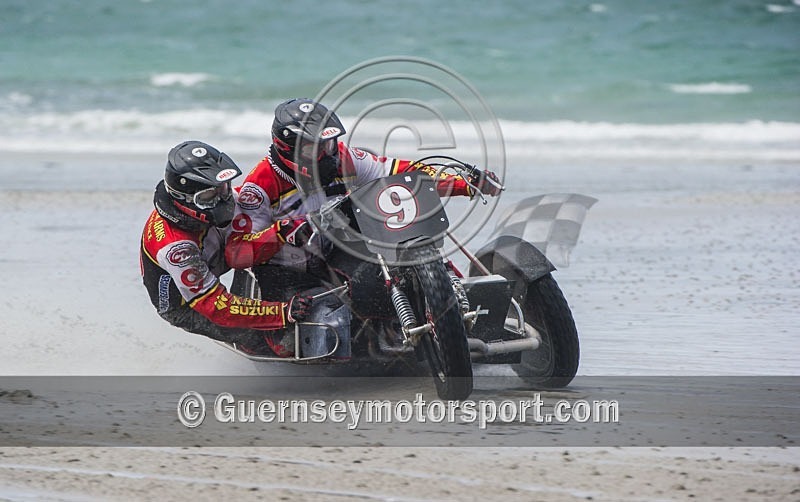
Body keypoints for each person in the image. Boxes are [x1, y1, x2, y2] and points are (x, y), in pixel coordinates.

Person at [225, 98, 503, 276]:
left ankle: (450, 287)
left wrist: (462, 184)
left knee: (396, 250)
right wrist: (284, 231)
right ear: (290, 148)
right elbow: (237, 251)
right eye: (315, 146)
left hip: (343, 247)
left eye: (329, 143)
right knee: (322, 325)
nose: (327, 152)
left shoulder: (344, 157)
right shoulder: (259, 187)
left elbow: (400, 172)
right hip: (294, 270)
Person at [139, 140, 312, 357]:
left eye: (222, 188)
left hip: (216, 252)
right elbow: (216, 306)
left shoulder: (220, 201)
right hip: (188, 303)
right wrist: (282, 313)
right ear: (185, 200)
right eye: (209, 197)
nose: (223, 199)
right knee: (261, 338)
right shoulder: (176, 249)